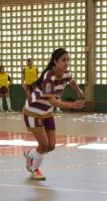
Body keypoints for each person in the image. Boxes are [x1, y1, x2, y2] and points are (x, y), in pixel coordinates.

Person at [23, 48, 85, 180]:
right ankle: (34, 170)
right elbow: (52, 101)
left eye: (68, 60)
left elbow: (71, 81)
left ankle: (30, 155)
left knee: (51, 146)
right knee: (44, 144)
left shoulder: (65, 73)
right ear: (55, 62)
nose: (66, 63)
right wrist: (71, 105)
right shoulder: (49, 77)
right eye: (63, 60)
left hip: (47, 113)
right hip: (34, 112)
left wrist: (79, 90)